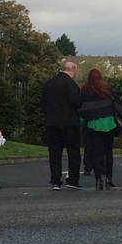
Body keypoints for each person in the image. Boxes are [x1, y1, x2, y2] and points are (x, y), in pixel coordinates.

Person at [41, 60, 82, 191]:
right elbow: (76, 102)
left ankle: (55, 181)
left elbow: (43, 103)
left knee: (54, 153)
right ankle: (72, 180)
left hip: (52, 123)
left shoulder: (49, 84)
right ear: (73, 71)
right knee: (73, 152)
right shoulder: (71, 84)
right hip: (69, 123)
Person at [79, 69, 121, 191]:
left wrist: (81, 123)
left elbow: (82, 109)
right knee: (108, 153)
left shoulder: (85, 91)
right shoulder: (107, 89)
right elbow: (116, 104)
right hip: (109, 124)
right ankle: (109, 179)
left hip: (94, 125)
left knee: (97, 154)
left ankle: (98, 181)